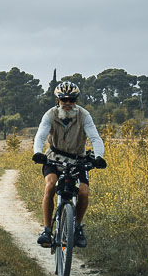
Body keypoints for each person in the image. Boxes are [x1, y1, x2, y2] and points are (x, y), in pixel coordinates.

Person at [31, 80, 106, 248]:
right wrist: (38, 152)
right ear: (58, 100)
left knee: (84, 192)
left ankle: (78, 227)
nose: (67, 103)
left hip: (78, 159)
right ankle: (47, 230)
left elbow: (95, 138)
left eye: (71, 100)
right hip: (53, 158)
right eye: (63, 99)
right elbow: (40, 135)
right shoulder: (50, 114)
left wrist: (99, 156)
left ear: (76, 101)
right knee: (50, 186)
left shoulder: (84, 115)